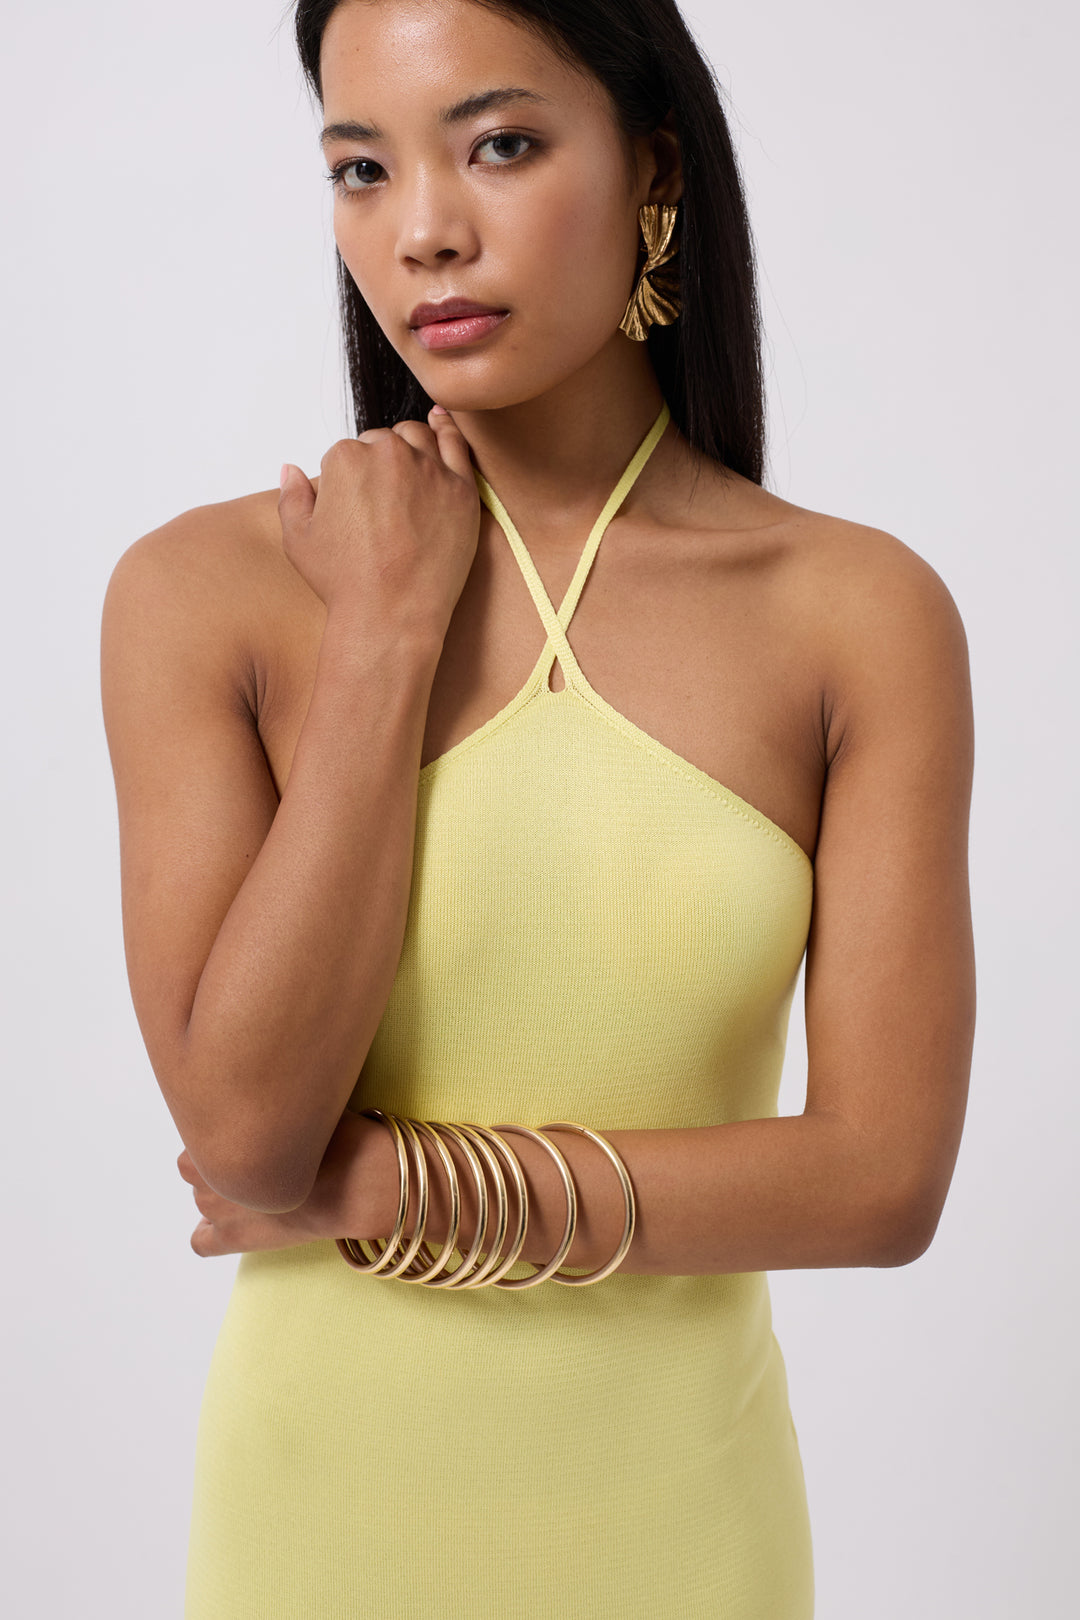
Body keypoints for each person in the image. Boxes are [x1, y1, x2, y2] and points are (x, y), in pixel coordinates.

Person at [99, 0, 976, 1615]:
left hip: (688, 1545)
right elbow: (250, 1138)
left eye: (499, 145)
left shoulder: (854, 615)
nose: (424, 230)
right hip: (317, 1542)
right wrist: (384, 634)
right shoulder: (208, 593)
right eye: (362, 168)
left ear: (656, 173)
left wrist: (407, 1192)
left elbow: (881, 1181)